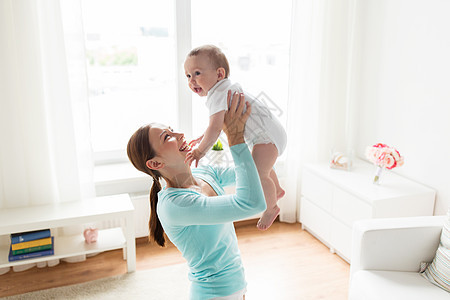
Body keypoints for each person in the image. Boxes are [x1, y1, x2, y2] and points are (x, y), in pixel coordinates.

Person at [127, 92, 266, 300]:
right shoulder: (176, 205)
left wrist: (250, 127)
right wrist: (235, 138)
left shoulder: (204, 172)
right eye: (167, 137)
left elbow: (253, 168)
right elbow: (252, 203)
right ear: (155, 164)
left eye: (172, 130)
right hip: (213, 293)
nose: (180, 135)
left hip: (237, 283)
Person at [184, 45, 287, 230]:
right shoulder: (225, 89)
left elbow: (215, 128)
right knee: (263, 167)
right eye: (188, 76)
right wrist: (204, 136)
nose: (192, 81)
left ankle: (271, 208)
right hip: (272, 133)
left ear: (219, 73)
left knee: (258, 174)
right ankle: (277, 190)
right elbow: (218, 124)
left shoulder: (218, 94)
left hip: (266, 139)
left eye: (197, 73)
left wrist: (199, 151)